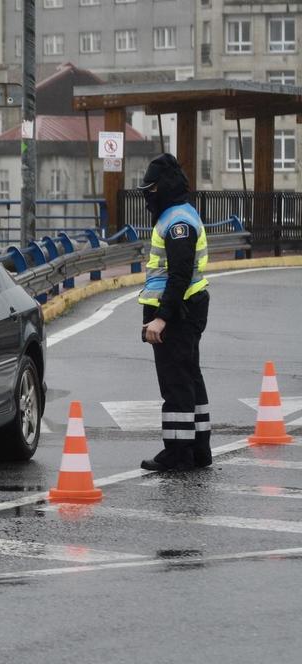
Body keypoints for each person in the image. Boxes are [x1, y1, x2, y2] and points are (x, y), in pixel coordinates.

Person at [137, 153, 211, 472]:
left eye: (151, 189)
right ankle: (198, 449)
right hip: (187, 308)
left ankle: (179, 453)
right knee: (189, 377)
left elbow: (179, 273)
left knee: (176, 382)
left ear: (163, 187)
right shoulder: (179, 214)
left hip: (178, 312)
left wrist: (161, 317)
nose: (147, 196)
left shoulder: (177, 221)